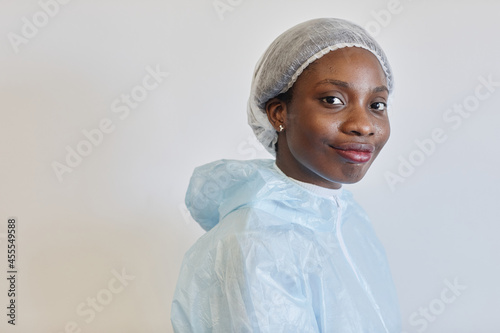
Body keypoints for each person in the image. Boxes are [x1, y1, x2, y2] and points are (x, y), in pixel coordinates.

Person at [171, 18, 401, 332]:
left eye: (377, 104)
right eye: (332, 100)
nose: (364, 124)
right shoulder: (257, 243)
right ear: (279, 114)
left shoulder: (347, 219)